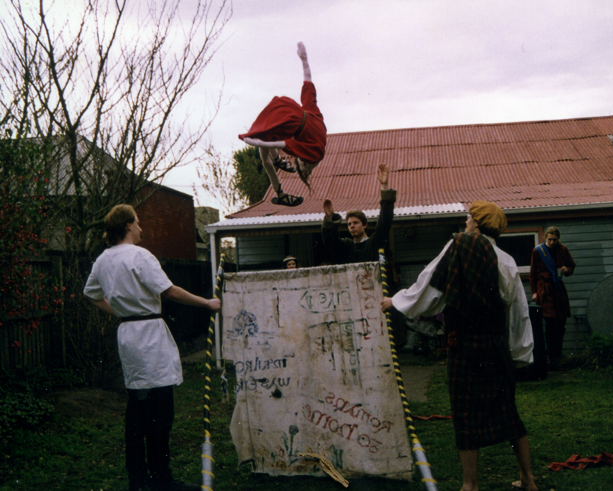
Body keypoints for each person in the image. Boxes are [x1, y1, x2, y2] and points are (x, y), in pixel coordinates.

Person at [381, 201, 537, 491]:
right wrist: (519, 352)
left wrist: (399, 300)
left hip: (464, 344)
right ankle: (528, 479)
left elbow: (431, 287)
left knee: (465, 413)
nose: (466, 222)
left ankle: (470, 485)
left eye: (469, 217)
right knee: (507, 410)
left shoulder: (459, 246)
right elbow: (518, 311)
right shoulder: (506, 261)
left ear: (477, 223)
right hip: (496, 346)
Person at [83, 205, 220, 491]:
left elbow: (91, 294)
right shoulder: (140, 256)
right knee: (159, 409)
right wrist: (207, 303)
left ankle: (139, 479)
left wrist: (121, 311)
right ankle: (161, 478)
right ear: (129, 225)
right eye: (139, 222)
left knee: (137, 408)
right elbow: (169, 290)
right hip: (148, 336)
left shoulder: (102, 260)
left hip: (128, 334)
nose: (141, 228)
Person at [239, 42, 326, 207]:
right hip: (286, 120)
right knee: (265, 157)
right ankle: (280, 187)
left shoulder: (316, 119)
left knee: (266, 157)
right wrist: (256, 141)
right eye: (304, 166)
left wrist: (304, 60)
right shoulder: (314, 153)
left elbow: (308, 86)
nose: (300, 161)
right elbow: (287, 144)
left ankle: (277, 164)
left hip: (288, 109)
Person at [321, 163, 395, 264]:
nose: (352, 226)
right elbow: (329, 241)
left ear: (365, 225)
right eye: (349, 224)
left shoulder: (374, 242)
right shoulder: (346, 245)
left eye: (356, 223)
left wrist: (384, 186)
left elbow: (385, 221)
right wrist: (329, 218)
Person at [529, 226, 576, 367]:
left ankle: (558, 354)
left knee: (560, 323)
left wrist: (566, 270)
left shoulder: (563, 249)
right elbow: (532, 274)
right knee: (550, 324)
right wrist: (534, 292)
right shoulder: (538, 251)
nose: (552, 242)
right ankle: (550, 355)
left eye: (555, 240)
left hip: (558, 289)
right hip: (545, 290)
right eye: (549, 239)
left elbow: (571, 266)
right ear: (545, 238)